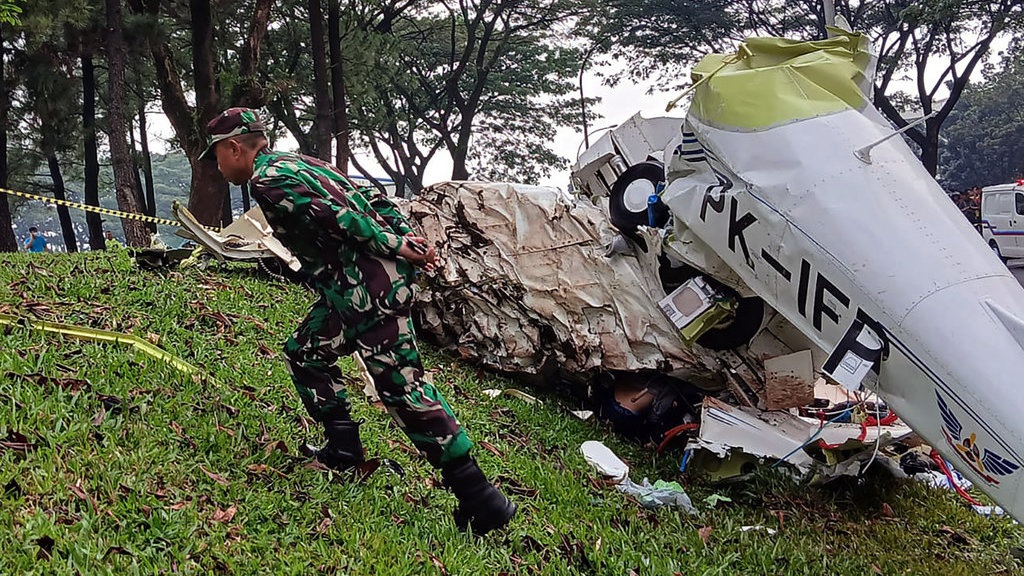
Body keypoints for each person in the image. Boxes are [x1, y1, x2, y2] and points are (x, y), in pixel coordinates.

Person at [200, 107, 515, 536]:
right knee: (305, 352)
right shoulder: (301, 162)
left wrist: (398, 244)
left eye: (217, 155)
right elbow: (371, 196)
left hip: (370, 289)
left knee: (402, 388)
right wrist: (405, 233)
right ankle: (344, 451)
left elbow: (340, 219)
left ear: (235, 148)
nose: (217, 166)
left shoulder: (267, 180)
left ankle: (481, 499)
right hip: (348, 290)